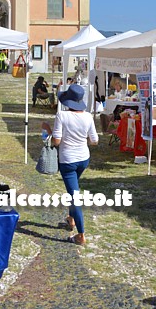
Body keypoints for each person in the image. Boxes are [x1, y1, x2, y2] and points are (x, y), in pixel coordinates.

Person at [42, 83, 98, 246]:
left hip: (68, 160)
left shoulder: (62, 115)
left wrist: (47, 129)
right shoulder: (88, 116)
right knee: (73, 191)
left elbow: (57, 141)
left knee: (74, 197)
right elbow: (94, 141)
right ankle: (71, 219)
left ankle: (80, 235)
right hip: (83, 159)